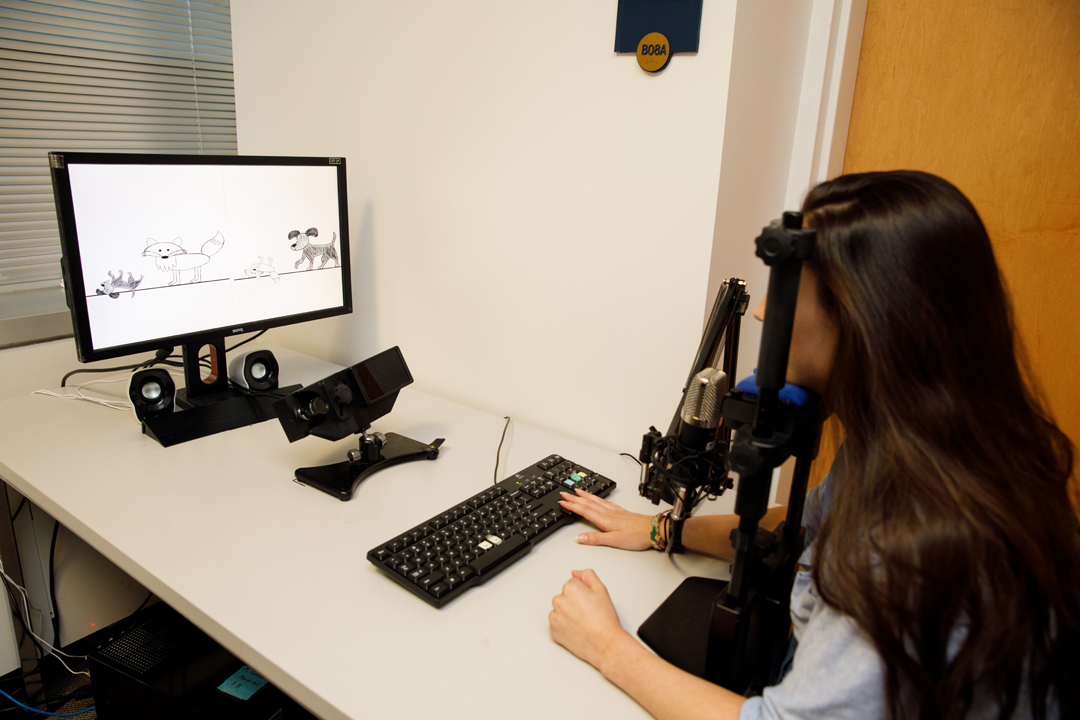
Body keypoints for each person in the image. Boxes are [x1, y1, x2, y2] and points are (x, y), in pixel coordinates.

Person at [548, 171, 1080, 720]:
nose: (759, 313)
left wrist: (607, 647)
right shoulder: (925, 451)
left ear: (862, 319)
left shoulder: (912, 553)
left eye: (785, 290)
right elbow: (796, 529)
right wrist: (662, 530)